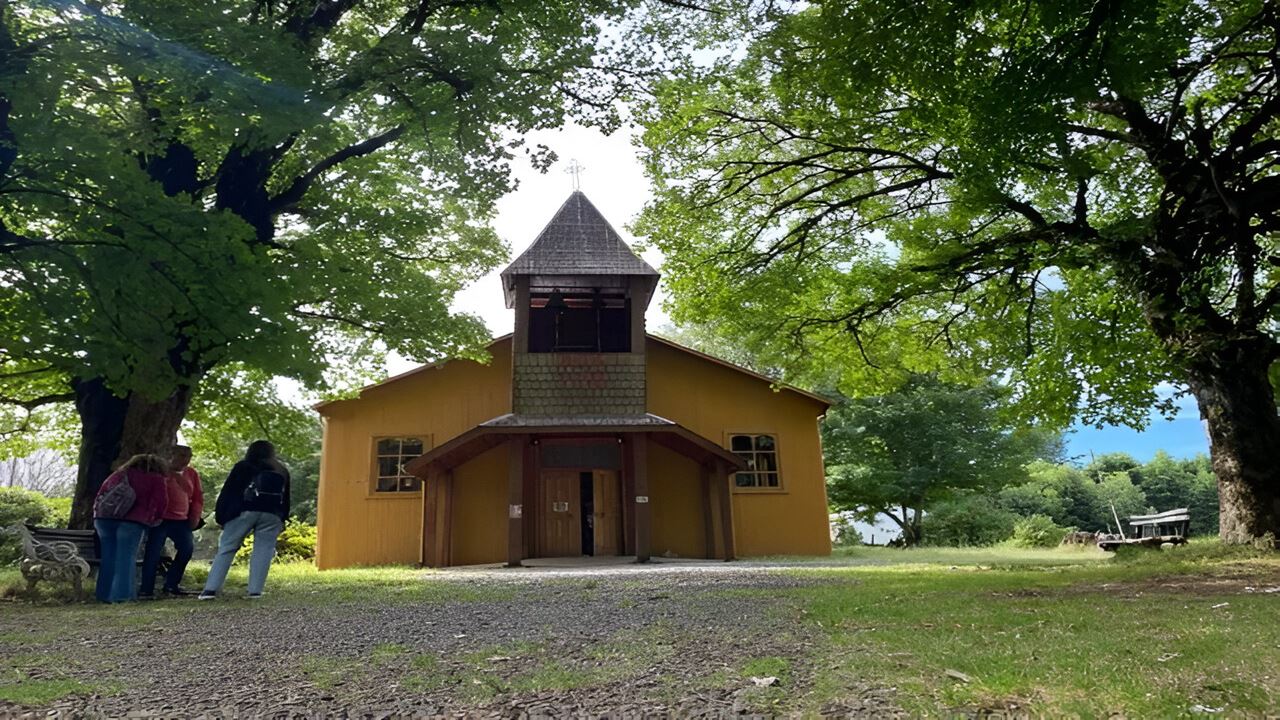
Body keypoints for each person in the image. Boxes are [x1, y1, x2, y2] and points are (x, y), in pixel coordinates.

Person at [200, 440, 290, 600]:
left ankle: (210, 589)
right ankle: (255, 591)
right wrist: (283, 517)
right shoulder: (281, 470)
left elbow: (229, 491)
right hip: (272, 513)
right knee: (263, 551)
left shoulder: (244, 466)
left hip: (243, 510)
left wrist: (222, 516)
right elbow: (286, 497)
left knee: (227, 548)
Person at [93, 454, 169, 603]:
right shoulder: (156, 478)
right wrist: (155, 519)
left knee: (108, 557)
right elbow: (161, 502)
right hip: (133, 521)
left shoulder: (118, 474)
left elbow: (101, 494)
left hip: (104, 519)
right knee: (126, 558)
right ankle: (123, 596)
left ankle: (103, 594)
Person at [139, 445, 204, 598]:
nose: (185, 459)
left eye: (188, 456)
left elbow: (197, 497)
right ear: (170, 455)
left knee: (186, 549)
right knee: (153, 553)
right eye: (181, 455)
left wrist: (195, 516)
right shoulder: (159, 472)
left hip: (181, 520)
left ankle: (171, 584)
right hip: (160, 519)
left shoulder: (191, 473)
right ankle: (146, 589)